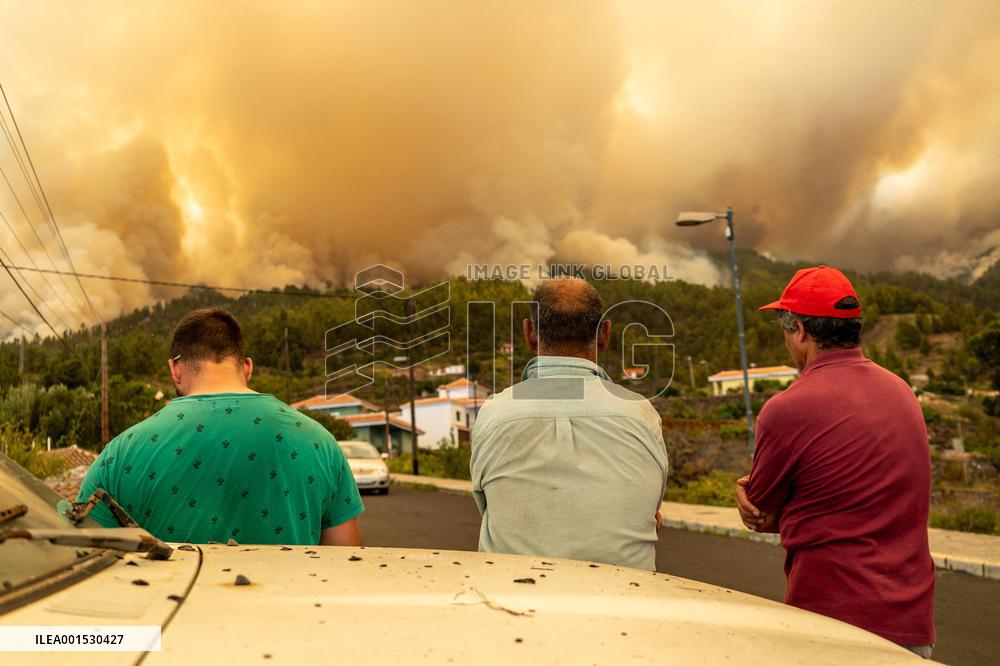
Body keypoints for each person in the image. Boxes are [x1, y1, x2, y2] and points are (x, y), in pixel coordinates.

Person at [735, 266, 935, 657]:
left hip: (833, 627)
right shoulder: (902, 392)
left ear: (802, 332)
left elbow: (761, 512)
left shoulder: (787, 409)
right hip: (912, 626)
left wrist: (747, 496)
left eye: (784, 327)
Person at [78, 307, 364, 546]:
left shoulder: (121, 453)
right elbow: (348, 567)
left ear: (175, 370)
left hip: (172, 612)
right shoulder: (319, 442)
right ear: (247, 367)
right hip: (288, 613)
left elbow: (81, 556)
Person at [471, 278, 668, 570]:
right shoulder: (641, 414)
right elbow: (651, 513)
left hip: (512, 602)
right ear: (604, 334)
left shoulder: (494, 413)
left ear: (530, 334)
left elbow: (490, 505)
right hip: (625, 603)